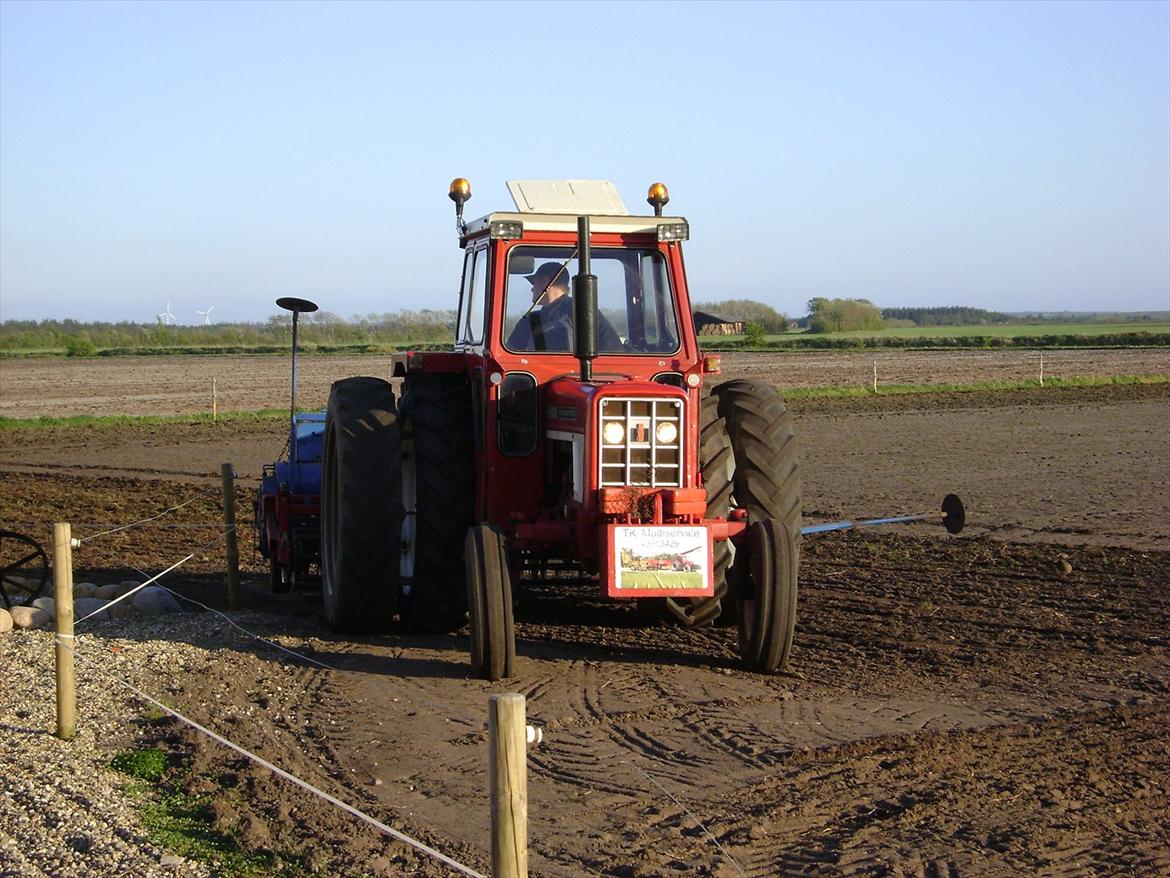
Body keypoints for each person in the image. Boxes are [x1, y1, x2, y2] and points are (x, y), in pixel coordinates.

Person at [506, 262, 622, 352]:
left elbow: (612, 349)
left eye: (534, 283)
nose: (532, 289)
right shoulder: (531, 321)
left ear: (546, 281)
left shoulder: (581, 312)